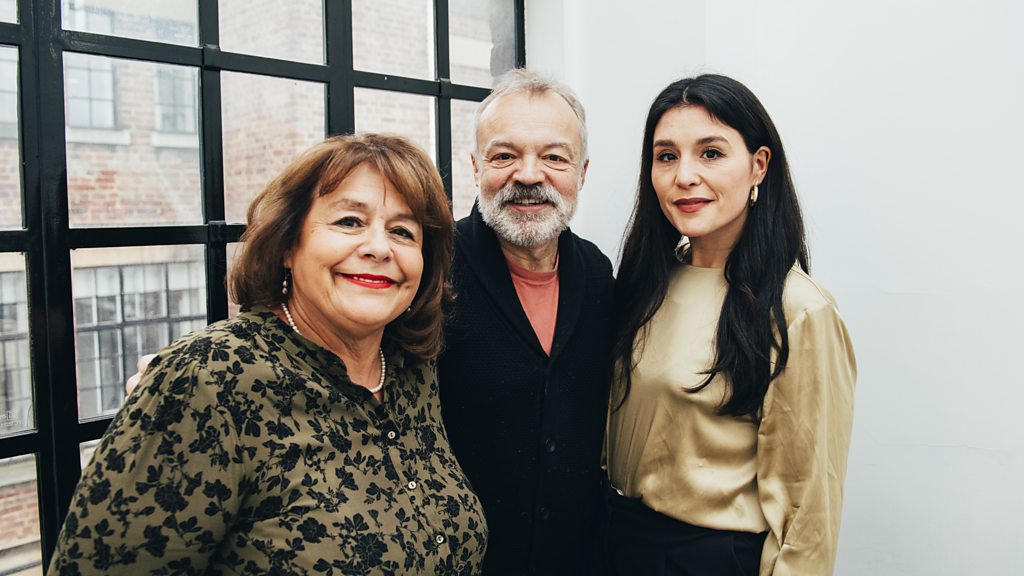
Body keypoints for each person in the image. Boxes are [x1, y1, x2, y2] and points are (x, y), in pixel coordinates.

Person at [48, 134, 488, 575]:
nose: (379, 247)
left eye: (402, 231)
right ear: (287, 245)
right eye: (350, 221)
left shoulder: (412, 371)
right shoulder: (207, 380)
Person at [605, 74, 856, 575]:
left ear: (759, 165)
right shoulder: (645, 284)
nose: (685, 176)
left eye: (711, 153)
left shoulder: (798, 310)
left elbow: (808, 514)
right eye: (666, 156)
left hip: (710, 558)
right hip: (617, 543)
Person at [439, 69, 614, 575]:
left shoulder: (598, 274)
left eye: (554, 157)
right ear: (476, 167)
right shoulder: (431, 270)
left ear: (582, 173)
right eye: (504, 156)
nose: (530, 175)